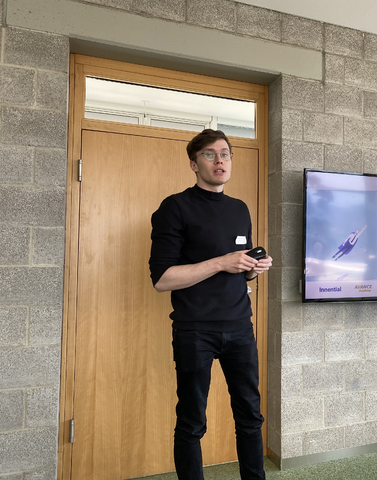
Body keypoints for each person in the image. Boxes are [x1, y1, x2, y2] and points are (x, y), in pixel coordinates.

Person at [148, 129, 272, 480]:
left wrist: (253, 268)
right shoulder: (175, 207)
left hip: (240, 327)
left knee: (250, 417)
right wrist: (221, 262)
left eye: (225, 154)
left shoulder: (239, 208)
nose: (220, 160)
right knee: (191, 422)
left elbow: (240, 273)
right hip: (194, 330)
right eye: (210, 154)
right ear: (194, 164)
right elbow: (162, 279)